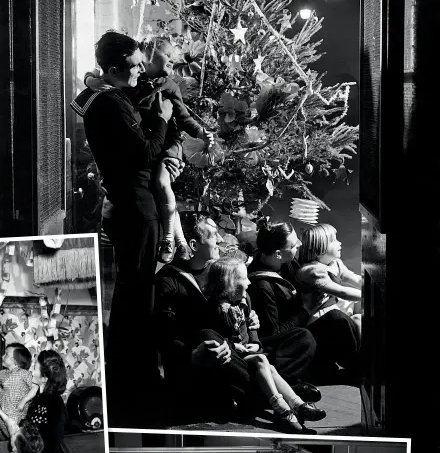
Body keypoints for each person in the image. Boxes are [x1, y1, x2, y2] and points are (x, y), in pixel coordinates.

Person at [70, 30, 180, 426]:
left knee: (133, 294)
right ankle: (133, 382)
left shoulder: (104, 98)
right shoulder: (112, 105)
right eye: (134, 66)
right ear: (115, 69)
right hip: (137, 210)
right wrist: (164, 121)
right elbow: (145, 152)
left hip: (130, 208)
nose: (140, 71)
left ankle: (127, 376)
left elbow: (98, 105)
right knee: (138, 296)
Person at [154, 211, 321, 428]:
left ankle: (260, 391)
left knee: (302, 338)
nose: (221, 240)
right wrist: (193, 355)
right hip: (209, 355)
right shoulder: (168, 282)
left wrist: (251, 321)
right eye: (213, 236)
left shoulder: (220, 269)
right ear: (194, 245)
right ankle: (281, 393)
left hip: (238, 348)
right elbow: (165, 336)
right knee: (210, 336)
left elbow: (242, 303)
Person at [83, 35, 214, 263]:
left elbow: (183, 116)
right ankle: (175, 240)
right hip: (148, 150)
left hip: (169, 145)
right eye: (168, 60)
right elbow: (95, 76)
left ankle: (174, 239)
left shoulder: (169, 86)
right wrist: (90, 81)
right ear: (150, 58)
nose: (172, 67)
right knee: (159, 187)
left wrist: (201, 132)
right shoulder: (129, 83)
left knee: (163, 184)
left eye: (173, 62)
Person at [204, 257, 326, 433]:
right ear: (229, 284)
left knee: (270, 366)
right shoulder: (217, 309)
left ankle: (298, 404)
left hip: (249, 351)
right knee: (262, 361)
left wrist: (255, 342)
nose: (248, 282)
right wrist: (237, 347)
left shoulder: (244, 300)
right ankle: (283, 409)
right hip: (236, 358)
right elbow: (218, 336)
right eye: (243, 279)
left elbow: (250, 328)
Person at [247, 221, 361, 385]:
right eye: (294, 245)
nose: (300, 244)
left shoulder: (287, 262)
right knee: (337, 319)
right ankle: (356, 371)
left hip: (306, 323)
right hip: (291, 342)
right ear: (278, 254)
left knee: (352, 318)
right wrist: (306, 310)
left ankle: (360, 365)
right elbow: (272, 334)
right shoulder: (262, 286)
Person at [296, 223, 362, 337]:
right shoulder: (312, 271)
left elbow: (353, 278)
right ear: (319, 247)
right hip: (322, 317)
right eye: (334, 240)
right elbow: (342, 292)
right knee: (357, 319)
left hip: (336, 308)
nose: (339, 243)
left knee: (359, 317)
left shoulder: (335, 263)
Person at [0, 350, 67, 453]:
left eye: (35, 367)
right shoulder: (37, 396)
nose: (31, 371)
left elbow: (50, 445)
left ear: (44, 378)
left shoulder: (55, 405)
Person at [0, 344, 33, 438]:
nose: (2, 356)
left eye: (6, 354)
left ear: (16, 361)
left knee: (16, 445)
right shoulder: (3, 373)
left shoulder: (24, 374)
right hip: (3, 420)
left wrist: (24, 400)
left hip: (16, 423)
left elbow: (37, 387)